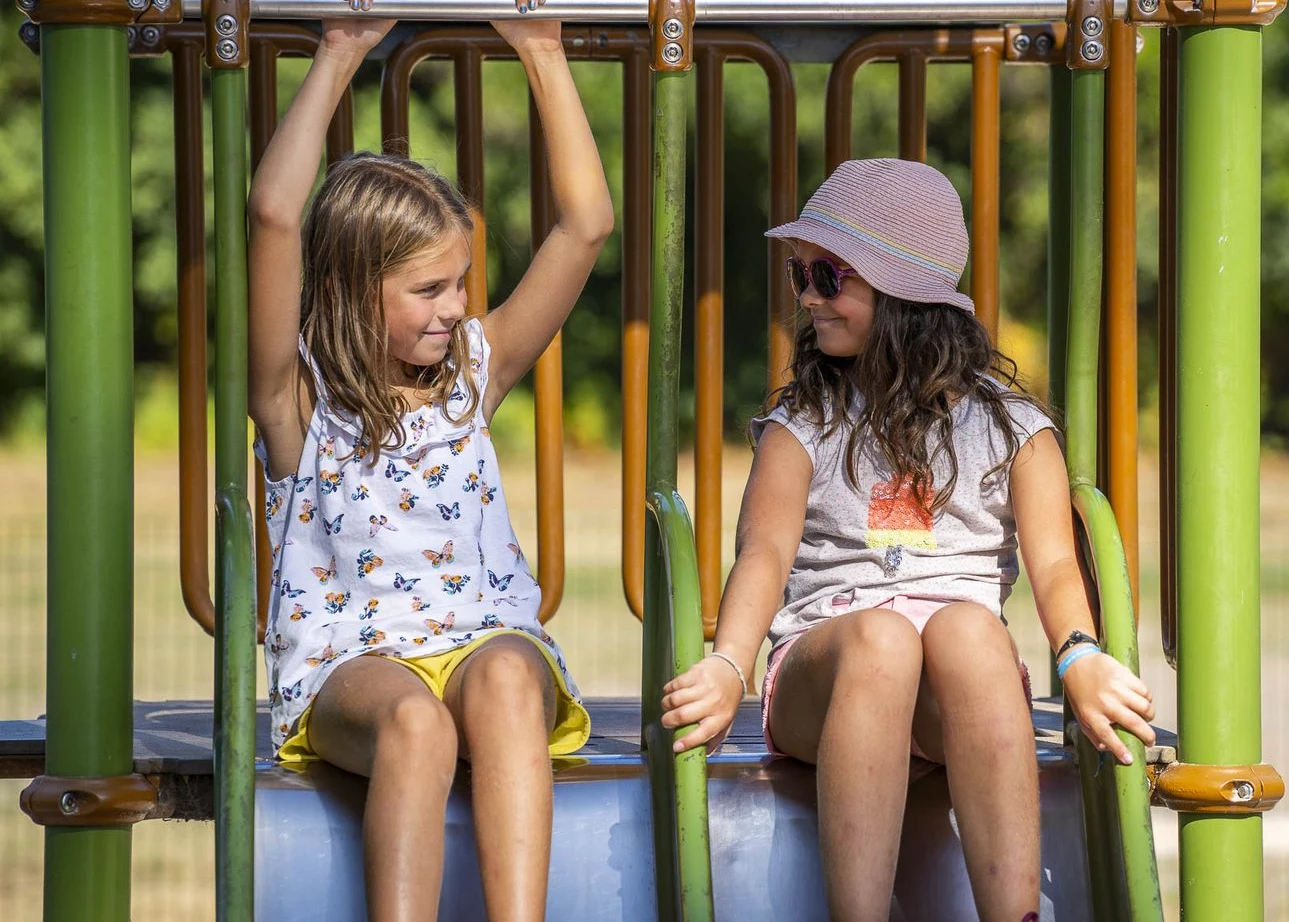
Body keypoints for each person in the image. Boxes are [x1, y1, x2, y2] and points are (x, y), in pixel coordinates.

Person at [659, 158, 1156, 922]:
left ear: (902, 293)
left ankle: (1015, 914)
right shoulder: (805, 426)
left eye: (830, 277)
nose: (808, 299)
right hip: (824, 678)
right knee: (883, 641)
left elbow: (1057, 561)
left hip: (949, 695)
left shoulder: (1012, 429)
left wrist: (1081, 655)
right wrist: (729, 662)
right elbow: (763, 554)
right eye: (802, 277)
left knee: (971, 631)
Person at [247, 9, 612, 920]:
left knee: (501, 682)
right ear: (347, 290)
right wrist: (339, 54)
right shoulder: (300, 404)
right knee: (414, 722)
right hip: (353, 665)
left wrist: (540, 48)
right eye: (427, 288)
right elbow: (273, 215)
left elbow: (585, 226)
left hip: (482, 636)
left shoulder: (472, 378)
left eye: (460, 282)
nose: (456, 306)